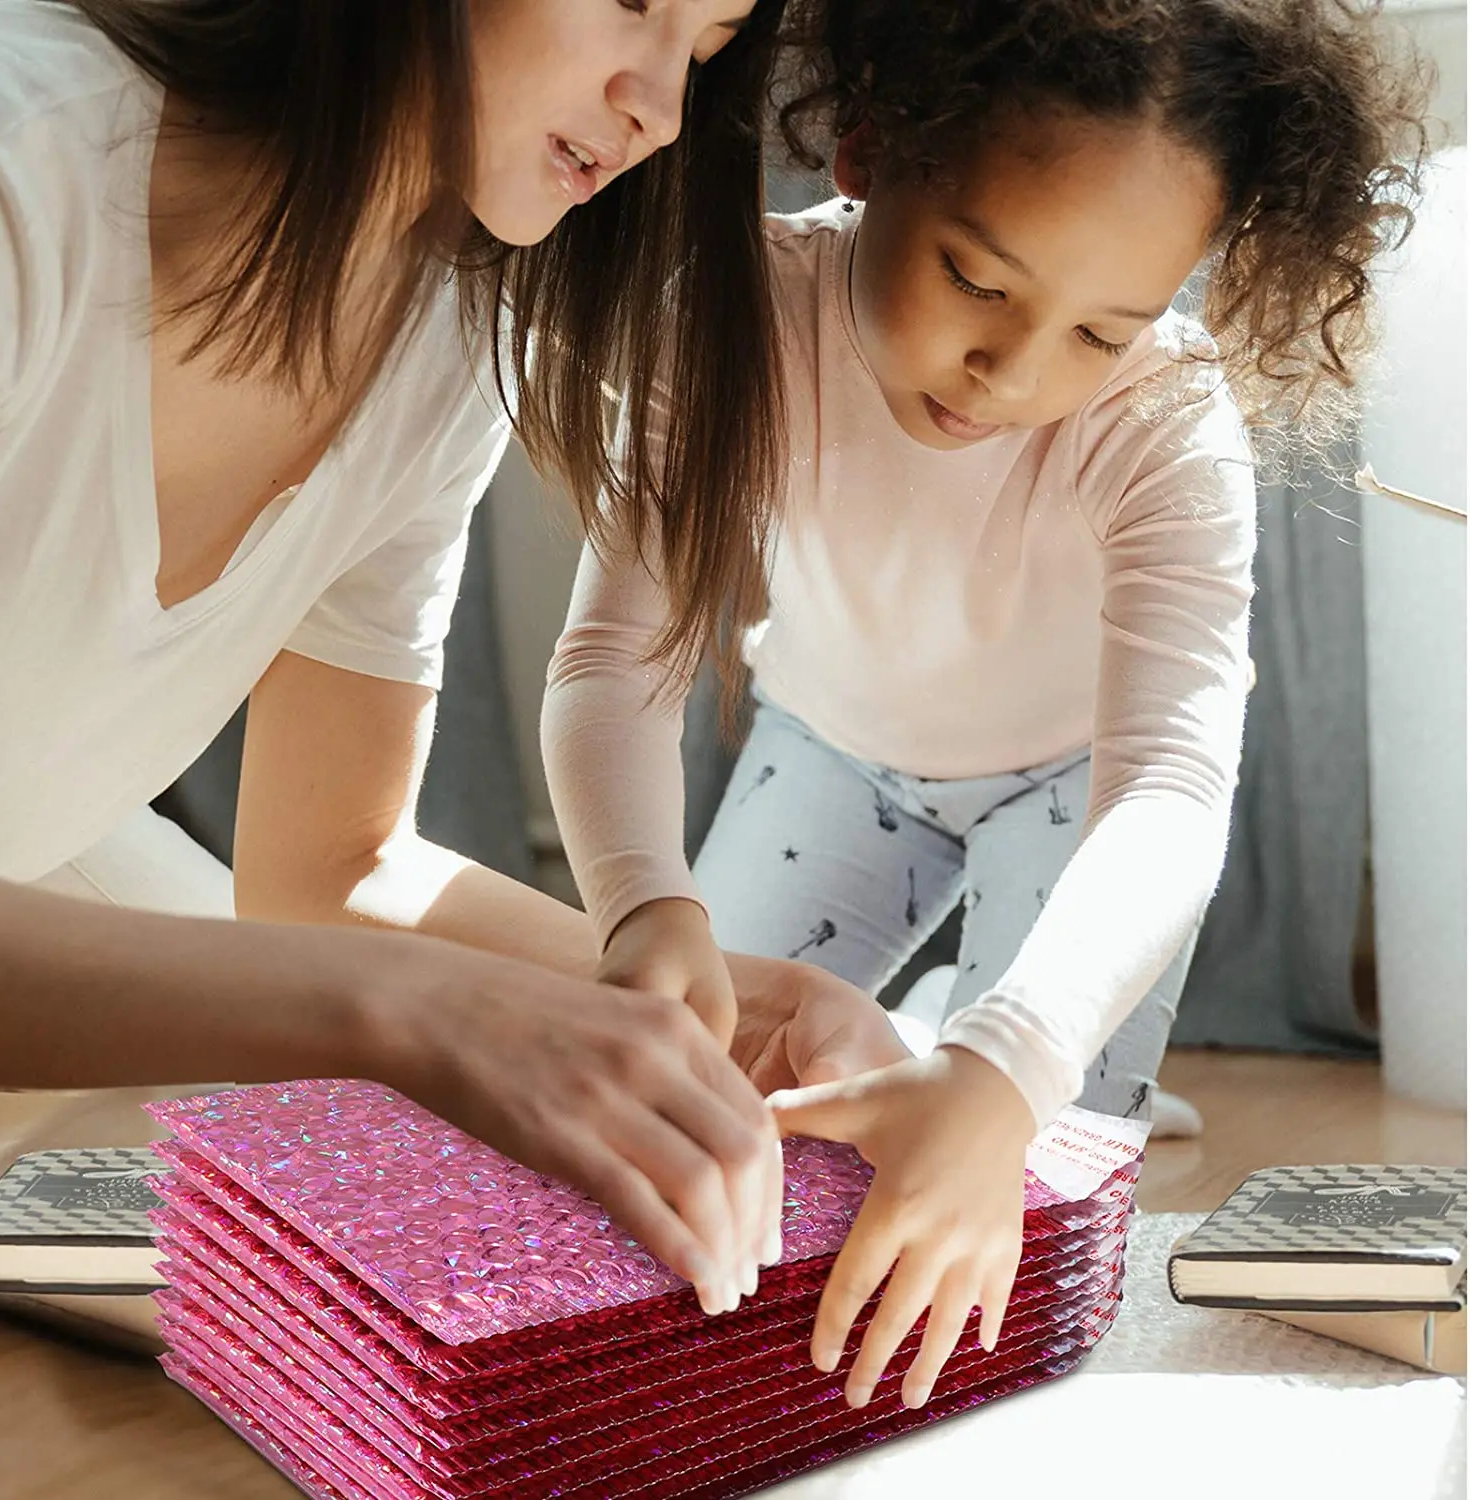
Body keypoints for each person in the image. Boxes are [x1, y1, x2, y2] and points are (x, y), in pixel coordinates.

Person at [543, 0, 1427, 1404]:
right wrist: (644, 909)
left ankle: (987, 1019)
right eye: (975, 278)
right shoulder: (736, 316)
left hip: (1071, 794)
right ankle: (938, 1026)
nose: (1013, 378)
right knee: (722, 1104)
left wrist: (1014, 1066)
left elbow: (1171, 791)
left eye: (1102, 330)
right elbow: (611, 662)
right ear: (870, 148)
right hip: (830, 747)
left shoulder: (1168, 424)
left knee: (1031, 1178)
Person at [0, 0, 908, 1322]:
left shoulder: (444, 325)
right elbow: (357, 967)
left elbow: (332, 868)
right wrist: (419, 1013)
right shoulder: (7, 164)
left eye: (704, 46)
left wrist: (705, 999)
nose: (660, 104)